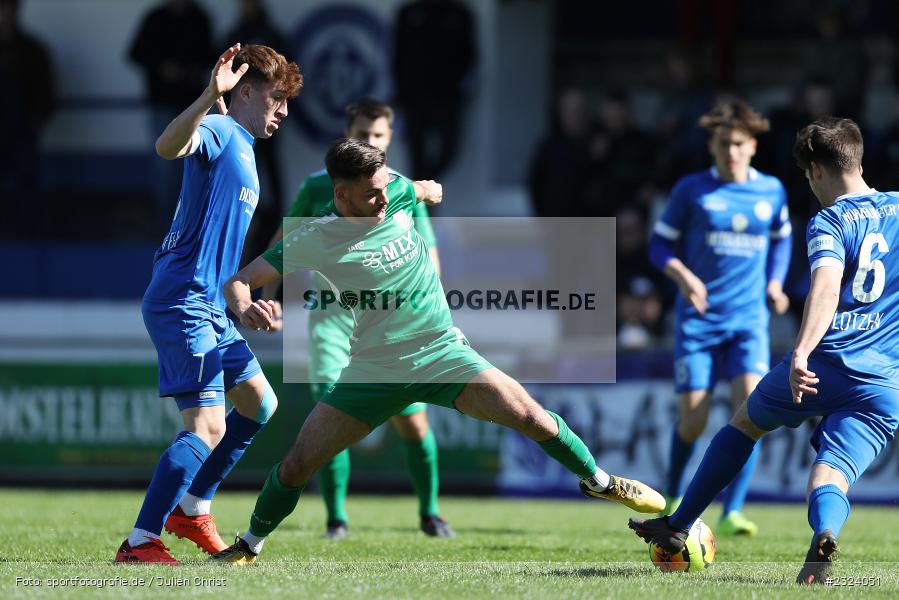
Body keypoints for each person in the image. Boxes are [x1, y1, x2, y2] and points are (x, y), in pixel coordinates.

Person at [209, 138, 666, 563]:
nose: (384, 199)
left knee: (531, 416)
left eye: (386, 186)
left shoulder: (396, 191)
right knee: (296, 465)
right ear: (342, 194)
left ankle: (601, 482)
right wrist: (248, 308)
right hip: (374, 370)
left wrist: (429, 190)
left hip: (444, 354)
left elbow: (425, 189)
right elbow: (239, 280)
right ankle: (249, 545)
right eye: (371, 194)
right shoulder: (314, 237)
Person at [630, 117, 899, 585]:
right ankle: (825, 534)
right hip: (883, 380)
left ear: (815, 171)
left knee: (746, 423)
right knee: (831, 474)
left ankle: (678, 523)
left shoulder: (830, 220)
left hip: (824, 363)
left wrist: (801, 351)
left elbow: (826, 287)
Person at [114, 44, 302, 564]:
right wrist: (205, 97)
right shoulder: (220, 131)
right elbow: (166, 147)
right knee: (206, 427)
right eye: (277, 97)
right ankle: (140, 541)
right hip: (183, 300)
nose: (284, 110)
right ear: (244, 91)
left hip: (211, 304)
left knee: (260, 404)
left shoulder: (241, 144)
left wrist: (241, 305)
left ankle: (192, 508)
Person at [264, 98, 453, 539]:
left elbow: (429, 254)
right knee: (329, 416)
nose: (370, 141)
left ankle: (430, 512)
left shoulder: (398, 188)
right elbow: (284, 241)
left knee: (412, 419)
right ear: (347, 133)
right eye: (362, 134)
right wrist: (269, 295)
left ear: (389, 139)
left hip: (391, 324)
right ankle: (336, 519)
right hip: (331, 320)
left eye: (378, 136)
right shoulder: (317, 187)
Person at [648, 99, 792, 536]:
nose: (731, 151)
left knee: (751, 413)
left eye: (738, 144)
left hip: (748, 322)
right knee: (693, 419)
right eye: (723, 143)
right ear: (711, 145)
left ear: (752, 146)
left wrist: (775, 283)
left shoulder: (771, 191)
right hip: (699, 320)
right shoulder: (691, 190)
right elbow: (658, 247)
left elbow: (782, 240)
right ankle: (673, 491)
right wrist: (683, 276)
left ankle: (731, 510)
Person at [128, 0, 216, 235]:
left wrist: (189, 71)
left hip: (195, 108)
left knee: (196, 168)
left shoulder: (199, 18)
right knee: (165, 169)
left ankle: (192, 228)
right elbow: (135, 53)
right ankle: (166, 231)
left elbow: (210, 55)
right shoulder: (155, 18)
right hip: (163, 106)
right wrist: (162, 68)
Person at [392, 0, 477, 182]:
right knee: (416, 157)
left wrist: (464, 90)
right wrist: (399, 93)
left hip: (447, 100)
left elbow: (470, 56)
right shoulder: (409, 13)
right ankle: (422, 201)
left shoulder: (459, 14)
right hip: (414, 100)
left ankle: (425, 185)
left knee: (449, 150)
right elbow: (397, 57)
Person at [0, 0, 55, 239]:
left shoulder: (32, 50)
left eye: (9, 9)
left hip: (22, 130)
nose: (5, 15)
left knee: (26, 188)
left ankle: (26, 237)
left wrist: (39, 120)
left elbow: (46, 90)